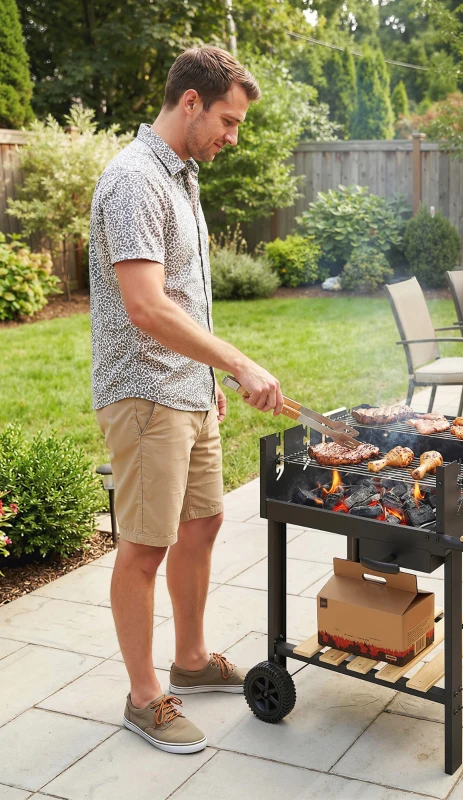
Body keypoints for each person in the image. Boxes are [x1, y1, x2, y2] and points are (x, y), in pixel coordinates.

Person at [90, 46, 284, 755]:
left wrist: (212, 378)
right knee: (145, 546)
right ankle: (145, 696)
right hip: (144, 393)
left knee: (202, 524)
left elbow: (184, 299)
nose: (233, 136)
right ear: (192, 101)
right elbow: (145, 307)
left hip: (187, 390)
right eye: (228, 121)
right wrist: (237, 362)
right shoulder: (133, 180)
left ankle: (192, 659)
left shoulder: (183, 177)